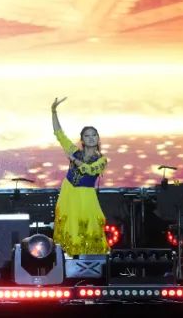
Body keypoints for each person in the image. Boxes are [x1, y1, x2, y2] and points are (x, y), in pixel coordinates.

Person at [50, 97, 108, 255]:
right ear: (82, 140)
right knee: (70, 226)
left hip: (86, 196)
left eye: (94, 135)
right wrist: (54, 111)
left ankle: (89, 259)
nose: (91, 138)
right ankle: (68, 257)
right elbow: (59, 134)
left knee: (87, 227)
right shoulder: (74, 151)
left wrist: (74, 160)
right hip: (69, 193)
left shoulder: (101, 160)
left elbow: (89, 170)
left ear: (98, 139)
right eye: (87, 135)